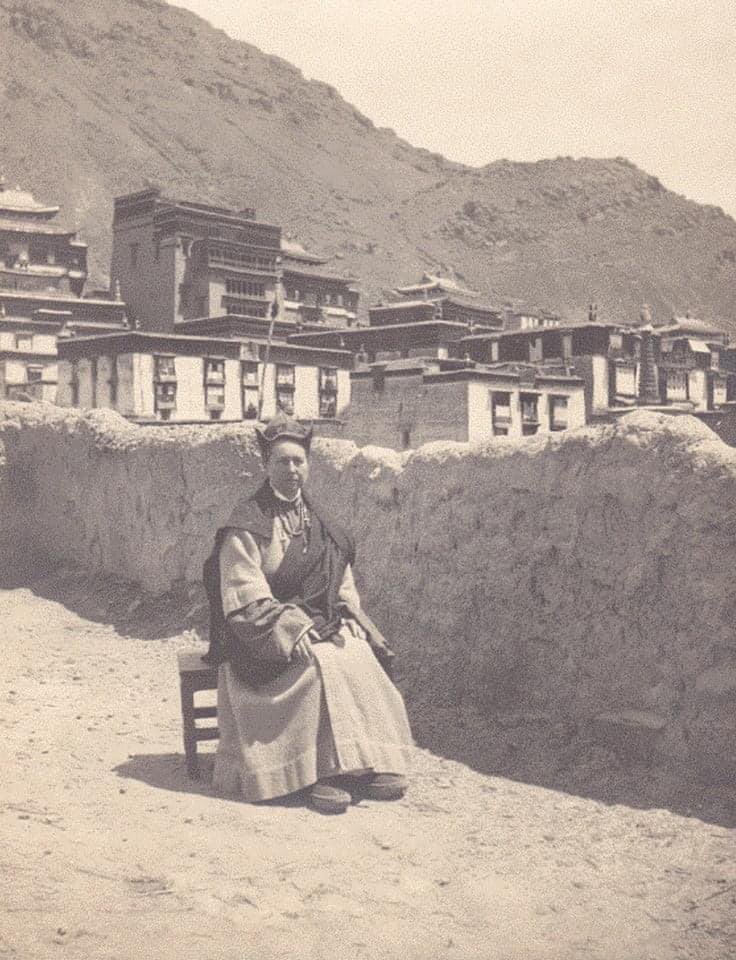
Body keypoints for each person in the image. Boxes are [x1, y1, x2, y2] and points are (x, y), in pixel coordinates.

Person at [206, 415, 413, 814]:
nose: (291, 470)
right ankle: (316, 774)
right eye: (282, 462)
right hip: (263, 640)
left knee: (355, 653)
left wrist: (352, 617)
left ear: (309, 465)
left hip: (319, 625)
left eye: (298, 462)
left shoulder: (323, 524)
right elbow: (242, 595)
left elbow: (341, 584)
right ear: (265, 466)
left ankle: (362, 764)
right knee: (320, 663)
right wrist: (291, 630)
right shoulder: (245, 526)